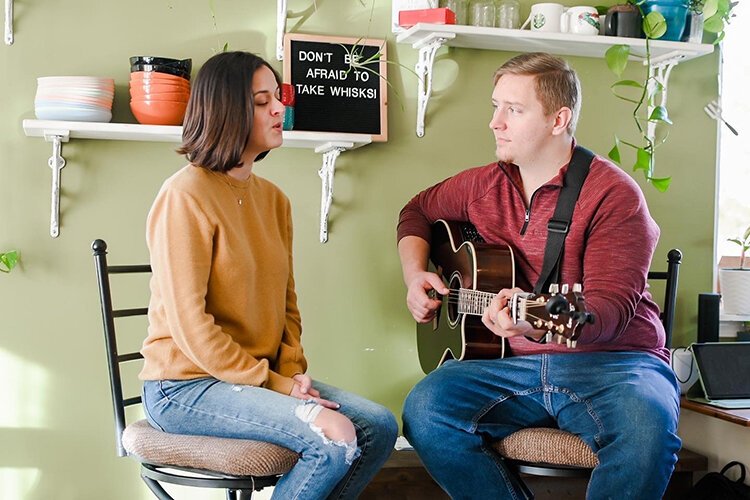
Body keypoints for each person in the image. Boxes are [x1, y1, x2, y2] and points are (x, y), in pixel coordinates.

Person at [397, 52, 681, 499]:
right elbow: (416, 213)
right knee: (426, 407)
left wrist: (531, 318)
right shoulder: (483, 186)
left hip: (616, 365)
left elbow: (606, 312)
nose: (495, 122)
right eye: (496, 106)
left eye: (514, 109)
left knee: (647, 430)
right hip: (513, 367)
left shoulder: (614, 195)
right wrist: (415, 275)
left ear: (557, 119)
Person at [140, 51, 398, 499]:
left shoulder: (273, 199)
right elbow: (190, 324)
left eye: (276, 98)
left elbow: (286, 304)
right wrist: (276, 385)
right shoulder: (184, 195)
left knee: (378, 425)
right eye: (262, 102)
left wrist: (293, 373)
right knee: (332, 434)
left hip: (256, 377)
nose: (280, 109)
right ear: (226, 110)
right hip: (185, 387)